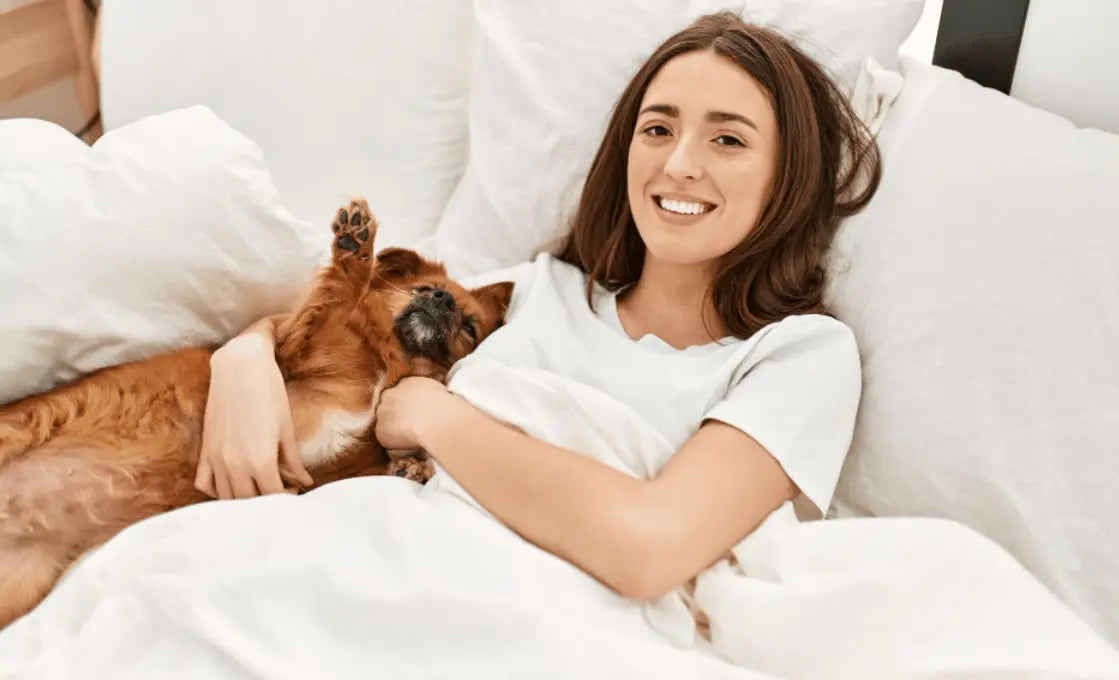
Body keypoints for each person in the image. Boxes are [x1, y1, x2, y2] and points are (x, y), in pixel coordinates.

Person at [195, 11, 881, 602]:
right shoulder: (535, 291)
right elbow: (353, 329)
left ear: (787, 178)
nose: (678, 164)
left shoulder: (799, 357)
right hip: (366, 558)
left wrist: (440, 419)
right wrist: (245, 356)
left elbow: (649, 549)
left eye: (727, 139)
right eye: (657, 130)